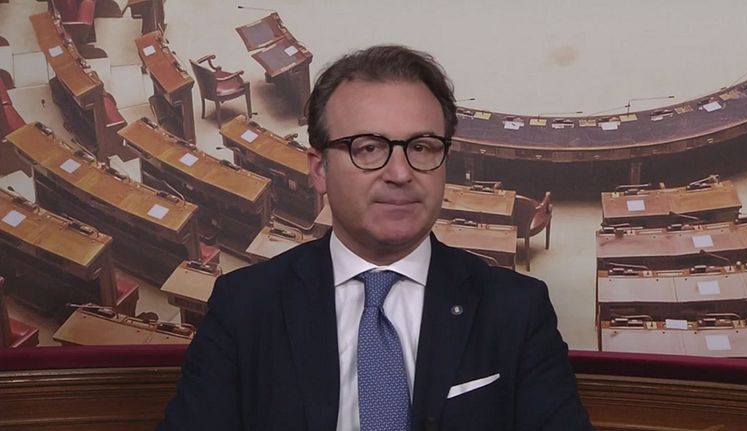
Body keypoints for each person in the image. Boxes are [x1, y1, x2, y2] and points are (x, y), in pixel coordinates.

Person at [158, 45, 592, 431]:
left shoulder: (516, 309)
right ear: (319, 170)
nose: (400, 173)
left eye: (422, 147)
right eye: (368, 148)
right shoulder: (244, 306)